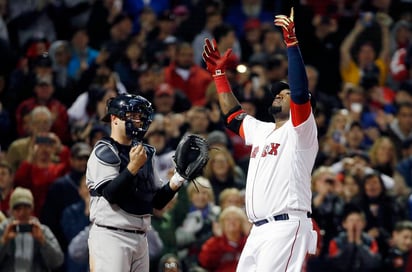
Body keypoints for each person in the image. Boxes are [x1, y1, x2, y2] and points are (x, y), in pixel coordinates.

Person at [202, 8, 318, 271]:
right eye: (276, 93)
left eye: (284, 93)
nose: (279, 95)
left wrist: (291, 45)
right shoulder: (262, 130)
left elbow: (300, 92)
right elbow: (233, 115)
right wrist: (220, 78)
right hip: (258, 230)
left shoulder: (301, 130)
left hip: (286, 226)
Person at [86, 94, 186, 272]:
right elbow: (111, 194)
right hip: (111, 235)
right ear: (114, 118)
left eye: (141, 117)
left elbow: (156, 202)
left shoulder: (144, 152)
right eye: (133, 116)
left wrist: (178, 179)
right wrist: (132, 167)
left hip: (141, 237)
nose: (138, 121)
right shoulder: (104, 150)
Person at [0, 187, 64, 270]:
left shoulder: (42, 230)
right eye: (18, 208)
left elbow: (58, 261)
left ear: (32, 208)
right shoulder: (4, 229)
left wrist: (43, 241)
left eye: (26, 207)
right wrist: (4, 241)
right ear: (11, 210)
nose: (22, 213)